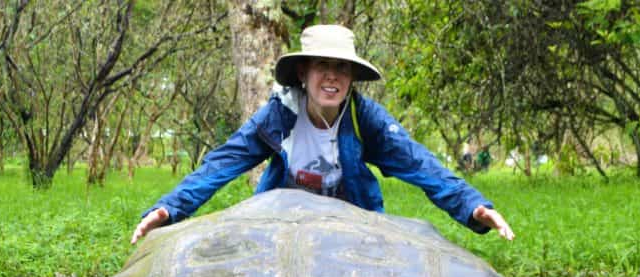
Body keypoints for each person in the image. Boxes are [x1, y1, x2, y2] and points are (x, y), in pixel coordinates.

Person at [131, 24, 514, 244]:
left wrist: (473, 206)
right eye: (322, 66)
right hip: (284, 228)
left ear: (351, 78)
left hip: (352, 226)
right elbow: (220, 165)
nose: (332, 76)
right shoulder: (278, 118)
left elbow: (421, 165)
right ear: (303, 73)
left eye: (341, 68)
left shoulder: (367, 120)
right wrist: (169, 209)